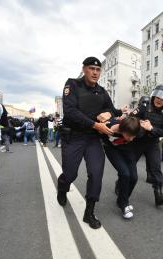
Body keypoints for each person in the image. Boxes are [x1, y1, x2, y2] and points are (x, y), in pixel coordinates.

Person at [57, 56, 116, 229]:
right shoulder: (73, 85)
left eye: (98, 70)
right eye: (92, 69)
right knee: (70, 174)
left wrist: (108, 114)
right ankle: (62, 187)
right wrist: (95, 124)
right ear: (84, 69)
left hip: (92, 139)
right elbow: (70, 111)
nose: (95, 72)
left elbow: (111, 109)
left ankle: (89, 211)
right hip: (73, 137)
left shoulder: (102, 91)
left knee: (96, 174)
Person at [131, 83, 163, 207]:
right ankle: (120, 185)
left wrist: (150, 128)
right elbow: (130, 118)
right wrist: (140, 123)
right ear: (154, 96)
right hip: (137, 142)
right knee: (129, 166)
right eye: (158, 97)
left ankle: (158, 195)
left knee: (156, 169)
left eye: (162, 98)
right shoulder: (144, 106)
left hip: (152, 144)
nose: (159, 100)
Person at [103, 117, 140, 219]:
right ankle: (123, 205)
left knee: (133, 177)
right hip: (112, 150)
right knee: (125, 174)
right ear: (122, 129)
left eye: (134, 136)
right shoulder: (109, 127)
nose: (132, 138)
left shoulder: (135, 128)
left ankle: (123, 199)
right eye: (129, 135)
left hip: (128, 149)